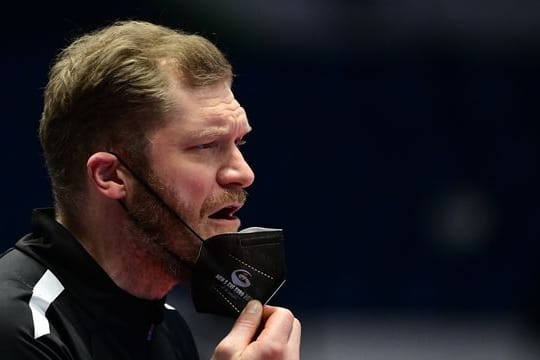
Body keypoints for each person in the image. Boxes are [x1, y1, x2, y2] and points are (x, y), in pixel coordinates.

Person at [0, 20, 301, 359]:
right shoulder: (18, 328)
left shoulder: (169, 330)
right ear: (111, 176)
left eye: (239, 142)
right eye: (206, 145)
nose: (244, 174)